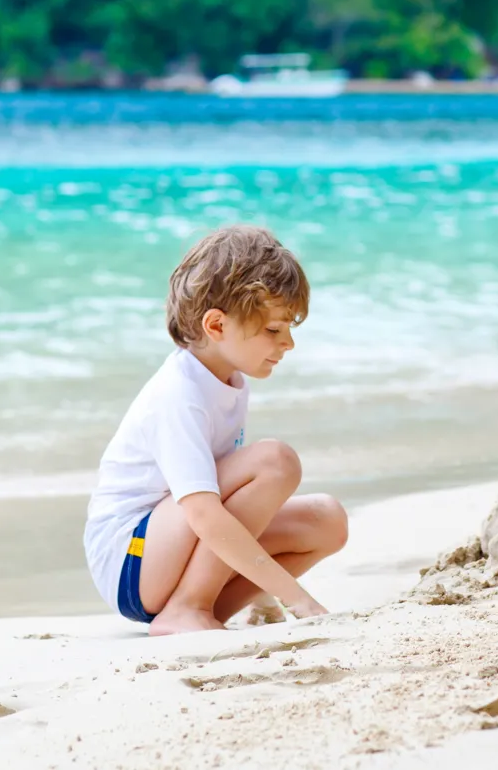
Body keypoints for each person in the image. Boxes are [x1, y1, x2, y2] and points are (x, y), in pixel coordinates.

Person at [84, 225, 348, 634]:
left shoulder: (227, 380)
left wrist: (264, 597)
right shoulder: (180, 393)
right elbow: (205, 512)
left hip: (168, 550)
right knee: (274, 461)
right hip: (131, 561)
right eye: (273, 330)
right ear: (216, 326)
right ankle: (188, 607)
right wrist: (298, 599)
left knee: (326, 521)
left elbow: (233, 500)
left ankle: (196, 607)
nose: (289, 343)